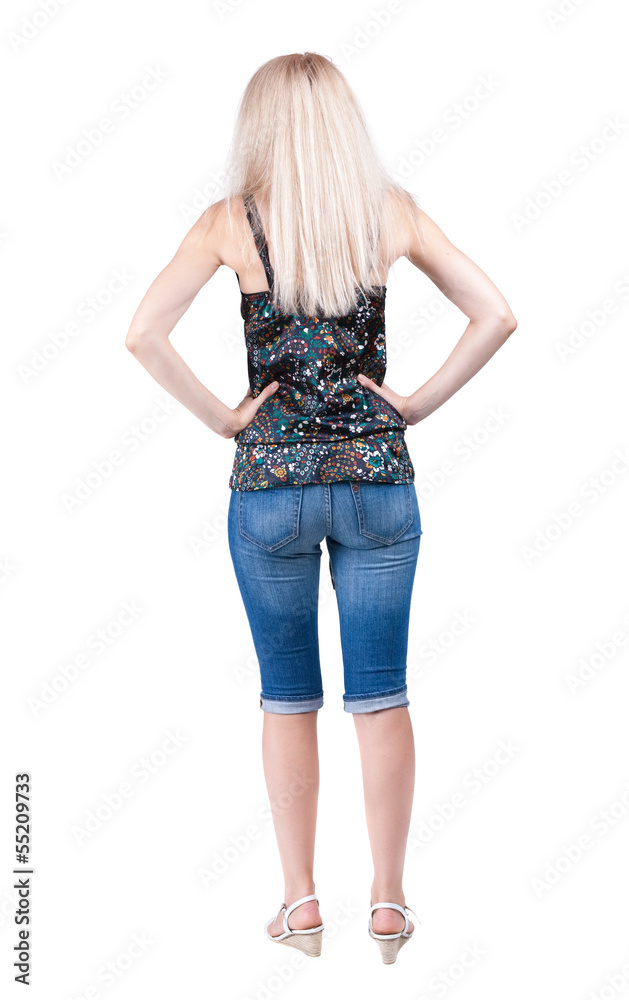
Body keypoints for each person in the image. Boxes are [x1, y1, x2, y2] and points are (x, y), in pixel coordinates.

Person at [125, 52, 517, 964]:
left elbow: (142, 333)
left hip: (270, 490)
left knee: (287, 698)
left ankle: (300, 905)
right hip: (379, 484)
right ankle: (387, 905)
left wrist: (226, 418)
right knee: (381, 697)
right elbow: (495, 313)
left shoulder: (229, 223)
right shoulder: (388, 214)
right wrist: (412, 404)